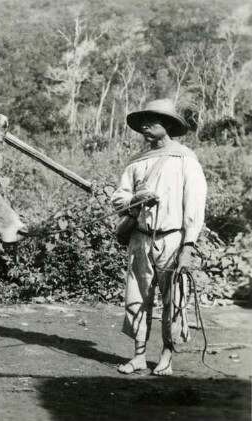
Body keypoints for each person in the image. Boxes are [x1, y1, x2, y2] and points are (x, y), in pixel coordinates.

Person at [110, 99, 207, 376]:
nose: (144, 127)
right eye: (143, 122)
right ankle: (139, 355)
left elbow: (195, 205)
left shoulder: (186, 160)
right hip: (140, 238)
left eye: (151, 122)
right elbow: (119, 197)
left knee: (173, 298)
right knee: (137, 296)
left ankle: (167, 354)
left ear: (167, 125)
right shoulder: (137, 161)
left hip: (173, 238)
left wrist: (188, 245)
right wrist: (135, 198)